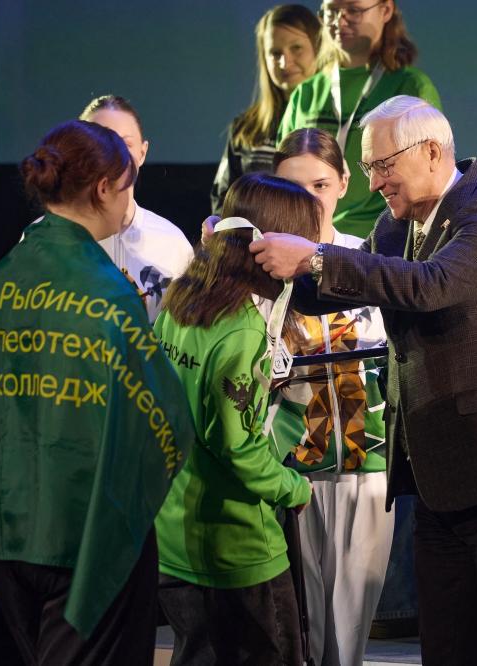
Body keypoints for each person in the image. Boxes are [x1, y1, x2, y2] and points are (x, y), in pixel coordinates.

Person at [251, 95, 477, 666]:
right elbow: (330, 292)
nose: (375, 182)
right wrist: (244, 256)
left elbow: (430, 286)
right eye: (369, 167)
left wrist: (315, 256)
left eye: (383, 165)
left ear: (430, 152)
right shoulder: (394, 226)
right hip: (440, 482)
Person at [0, 120, 195, 665]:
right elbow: (162, 416)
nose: (129, 205)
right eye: (126, 189)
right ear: (103, 189)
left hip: (1, 528)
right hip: (84, 532)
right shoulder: (107, 293)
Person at [153, 172, 320, 665]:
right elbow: (238, 447)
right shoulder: (242, 330)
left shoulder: (181, 301)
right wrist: (293, 488)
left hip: (175, 537)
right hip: (238, 549)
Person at [268, 128, 391, 665]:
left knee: (350, 632)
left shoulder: (368, 256)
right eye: (293, 187)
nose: (309, 200)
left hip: (368, 464)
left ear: (343, 183)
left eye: (320, 185)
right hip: (292, 471)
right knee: (304, 628)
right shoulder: (263, 266)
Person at [279, 0, 441, 239]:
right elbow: (281, 176)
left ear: (385, 10)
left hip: (381, 243)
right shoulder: (307, 91)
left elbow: (428, 180)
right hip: (308, 238)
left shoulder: (410, 87)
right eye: (331, 11)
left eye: (353, 10)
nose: (339, 20)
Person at [79, 95, 194, 323]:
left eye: (126, 144)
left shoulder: (173, 244)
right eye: (101, 143)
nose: (114, 155)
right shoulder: (48, 237)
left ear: (142, 153)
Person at [210, 4, 322, 213]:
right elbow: (223, 199)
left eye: (296, 48)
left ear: (319, 48)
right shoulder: (246, 128)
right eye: (275, 53)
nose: (284, 62)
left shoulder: (335, 121)